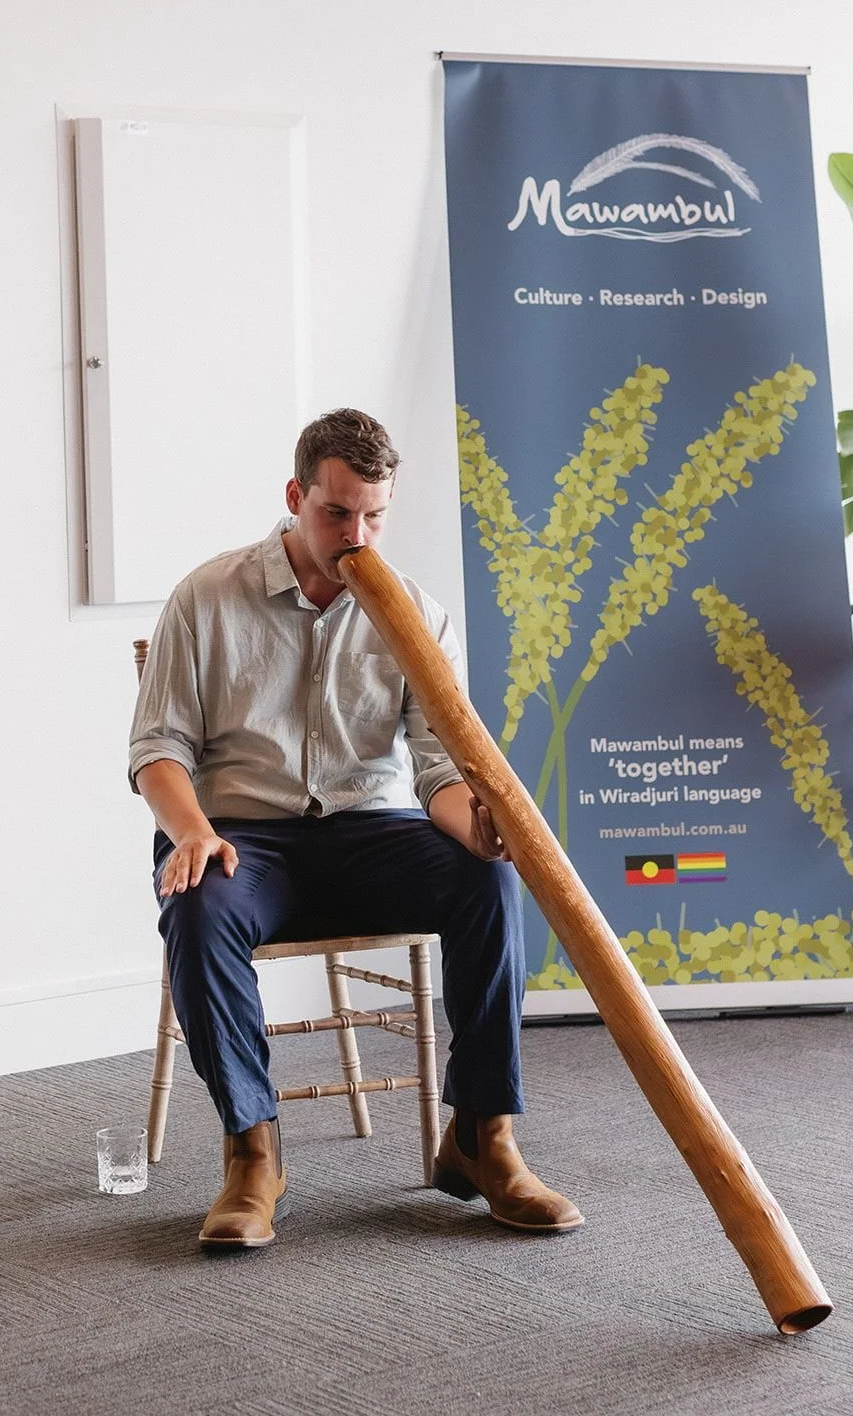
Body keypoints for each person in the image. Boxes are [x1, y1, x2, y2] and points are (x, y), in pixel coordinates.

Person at [129, 408, 584, 1249]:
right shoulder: (207, 595)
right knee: (195, 902)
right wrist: (189, 829)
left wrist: (475, 830)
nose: (356, 533)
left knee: (488, 880)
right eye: (337, 513)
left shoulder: (414, 611)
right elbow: (158, 747)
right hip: (243, 837)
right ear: (297, 496)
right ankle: (253, 1156)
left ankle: (483, 1138)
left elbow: (437, 768)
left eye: (373, 514)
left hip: (371, 831)